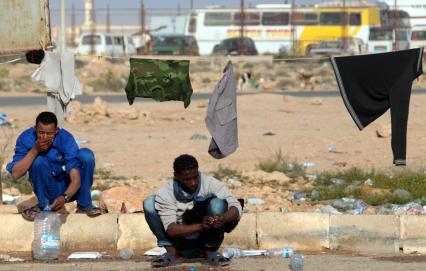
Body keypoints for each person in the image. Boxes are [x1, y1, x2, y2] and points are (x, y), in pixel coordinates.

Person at [143, 154, 243, 268]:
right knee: (149, 203)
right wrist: (201, 226)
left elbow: (236, 207)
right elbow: (171, 229)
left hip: (204, 239)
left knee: (218, 204)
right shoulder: (166, 192)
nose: (193, 183)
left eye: (195, 177)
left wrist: (224, 218)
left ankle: (209, 253)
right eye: (187, 179)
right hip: (179, 241)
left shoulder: (210, 183)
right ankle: (172, 253)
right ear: (176, 176)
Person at [7, 111, 104, 221]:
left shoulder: (65, 138)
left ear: (56, 131)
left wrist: (65, 197)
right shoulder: (26, 138)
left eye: (49, 134)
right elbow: (15, 174)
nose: (44, 137)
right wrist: (35, 150)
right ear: (35, 129)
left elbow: (76, 178)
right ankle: (44, 206)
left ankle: (84, 205)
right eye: (41, 133)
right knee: (38, 160)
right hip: (49, 189)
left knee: (86, 155)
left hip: (70, 189)